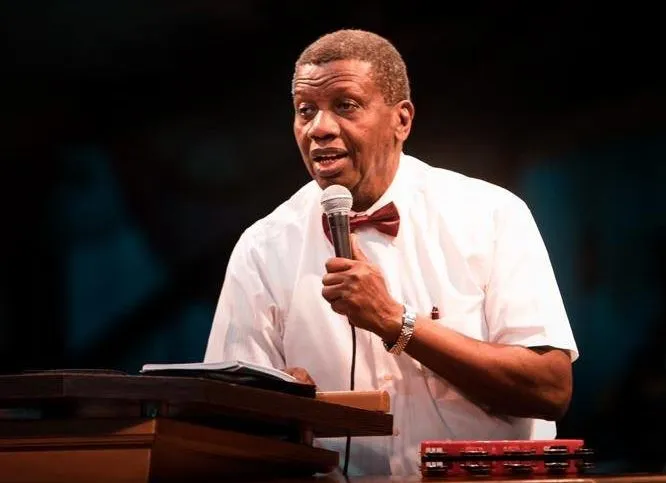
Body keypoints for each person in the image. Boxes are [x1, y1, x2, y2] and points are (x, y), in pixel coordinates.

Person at [204, 28, 578, 476]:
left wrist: (395, 321)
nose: (319, 128)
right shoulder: (263, 247)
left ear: (401, 120)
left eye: (345, 105)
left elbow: (549, 389)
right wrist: (279, 408)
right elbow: (226, 422)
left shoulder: (491, 214)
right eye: (305, 111)